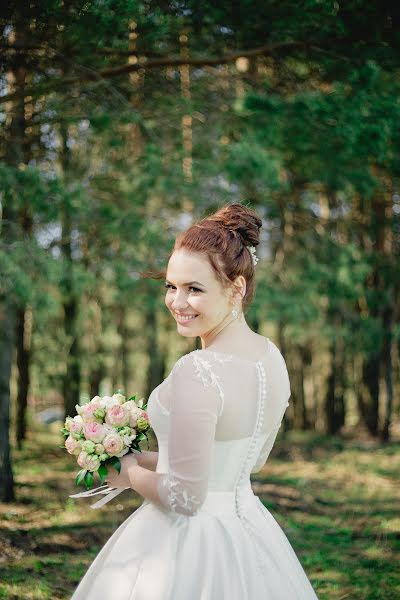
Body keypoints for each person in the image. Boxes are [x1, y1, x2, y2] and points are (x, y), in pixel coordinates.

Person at [70, 202, 318, 599]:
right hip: (250, 531)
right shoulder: (272, 357)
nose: (177, 302)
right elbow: (242, 462)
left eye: (194, 289)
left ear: (236, 288)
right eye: (171, 286)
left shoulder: (198, 370)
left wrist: (129, 472)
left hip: (185, 547)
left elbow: (186, 497)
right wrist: (124, 455)